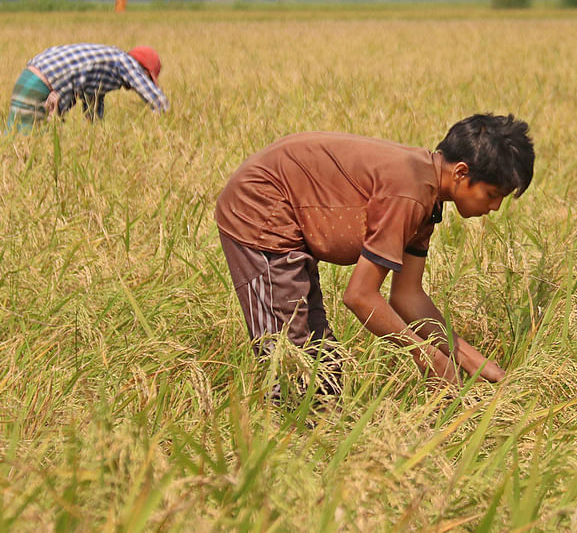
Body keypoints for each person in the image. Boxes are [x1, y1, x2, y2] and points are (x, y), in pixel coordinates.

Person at [215, 114, 534, 397]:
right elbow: (360, 296)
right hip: (259, 212)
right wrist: (424, 354)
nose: (494, 207)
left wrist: (472, 360)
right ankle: (282, 453)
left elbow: (408, 296)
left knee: (325, 369)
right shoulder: (408, 192)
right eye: (492, 195)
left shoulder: (429, 197)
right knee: (292, 364)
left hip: (292, 223)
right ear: (462, 173)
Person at [5, 43, 169, 132]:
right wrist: (168, 120)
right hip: (40, 87)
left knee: (14, 138)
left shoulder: (107, 63)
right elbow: (155, 98)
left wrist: (96, 136)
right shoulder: (125, 62)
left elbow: (93, 103)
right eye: (147, 77)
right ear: (143, 69)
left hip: (27, 79)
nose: (134, 87)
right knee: (30, 142)